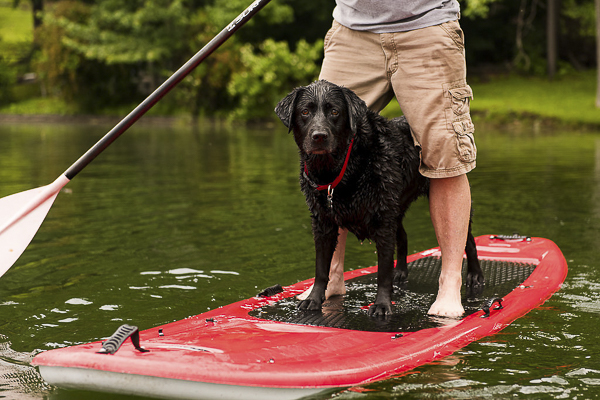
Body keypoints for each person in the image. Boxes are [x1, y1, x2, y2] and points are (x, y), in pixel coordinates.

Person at [313, 0, 477, 318]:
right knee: (326, 152)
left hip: (427, 27)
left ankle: (449, 282)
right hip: (352, 31)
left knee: (445, 157)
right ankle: (332, 277)